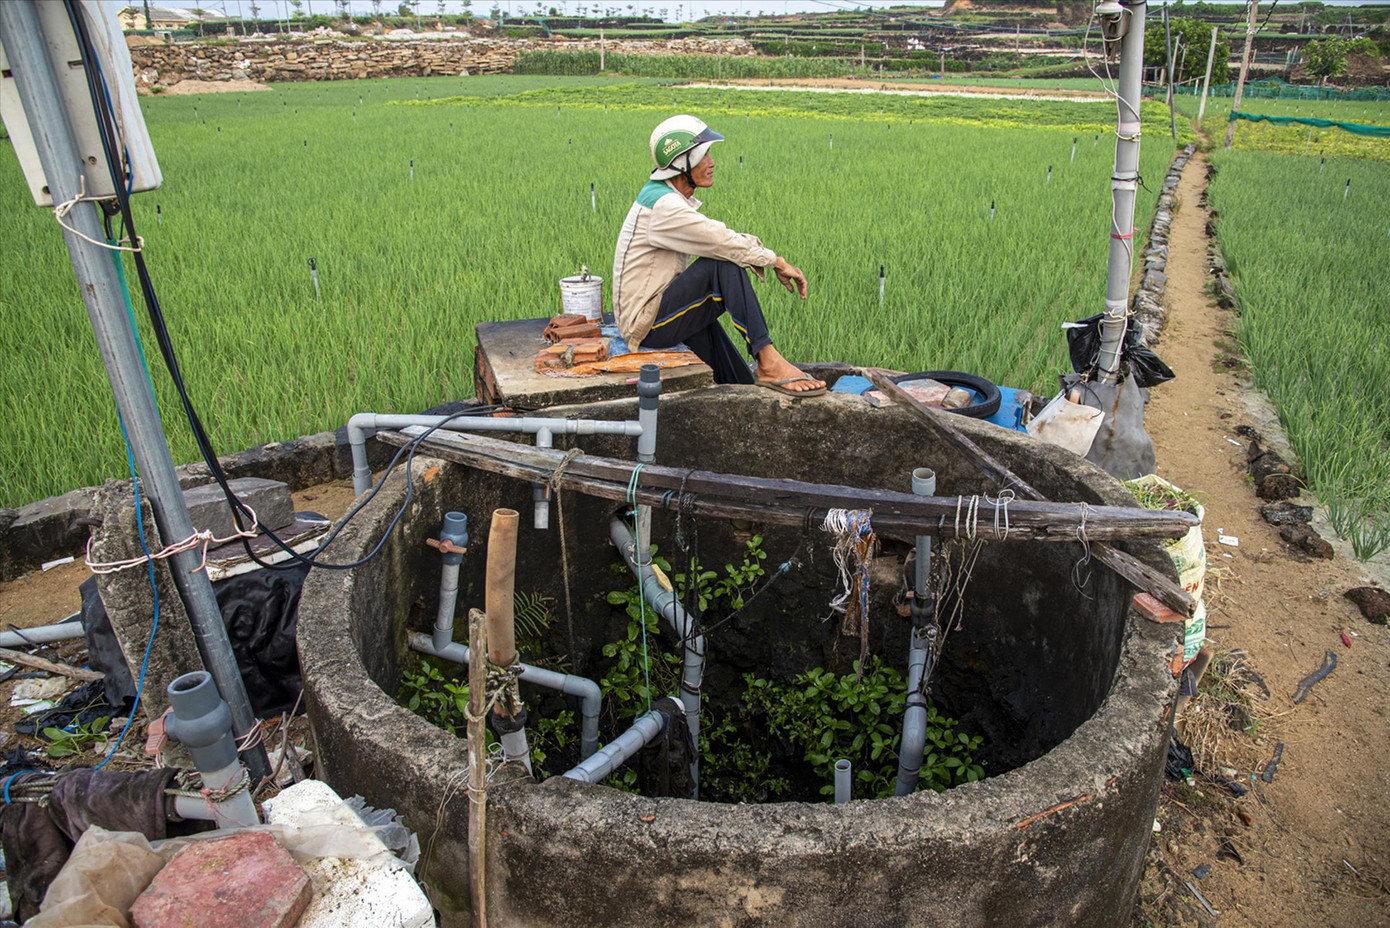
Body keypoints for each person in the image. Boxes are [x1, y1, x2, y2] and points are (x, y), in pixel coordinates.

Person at [611, 115, 826, 396]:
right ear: (681, 164)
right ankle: (768, 360)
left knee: (737, 379)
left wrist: (769, 258)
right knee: (720, 267)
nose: (712, 163)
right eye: (704, 155)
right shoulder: (664, 208)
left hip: (660, 308)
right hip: (645, 326)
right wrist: (776, 261)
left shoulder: (665, 197)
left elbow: (720, 239)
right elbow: (722, 242)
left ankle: (750, 382)